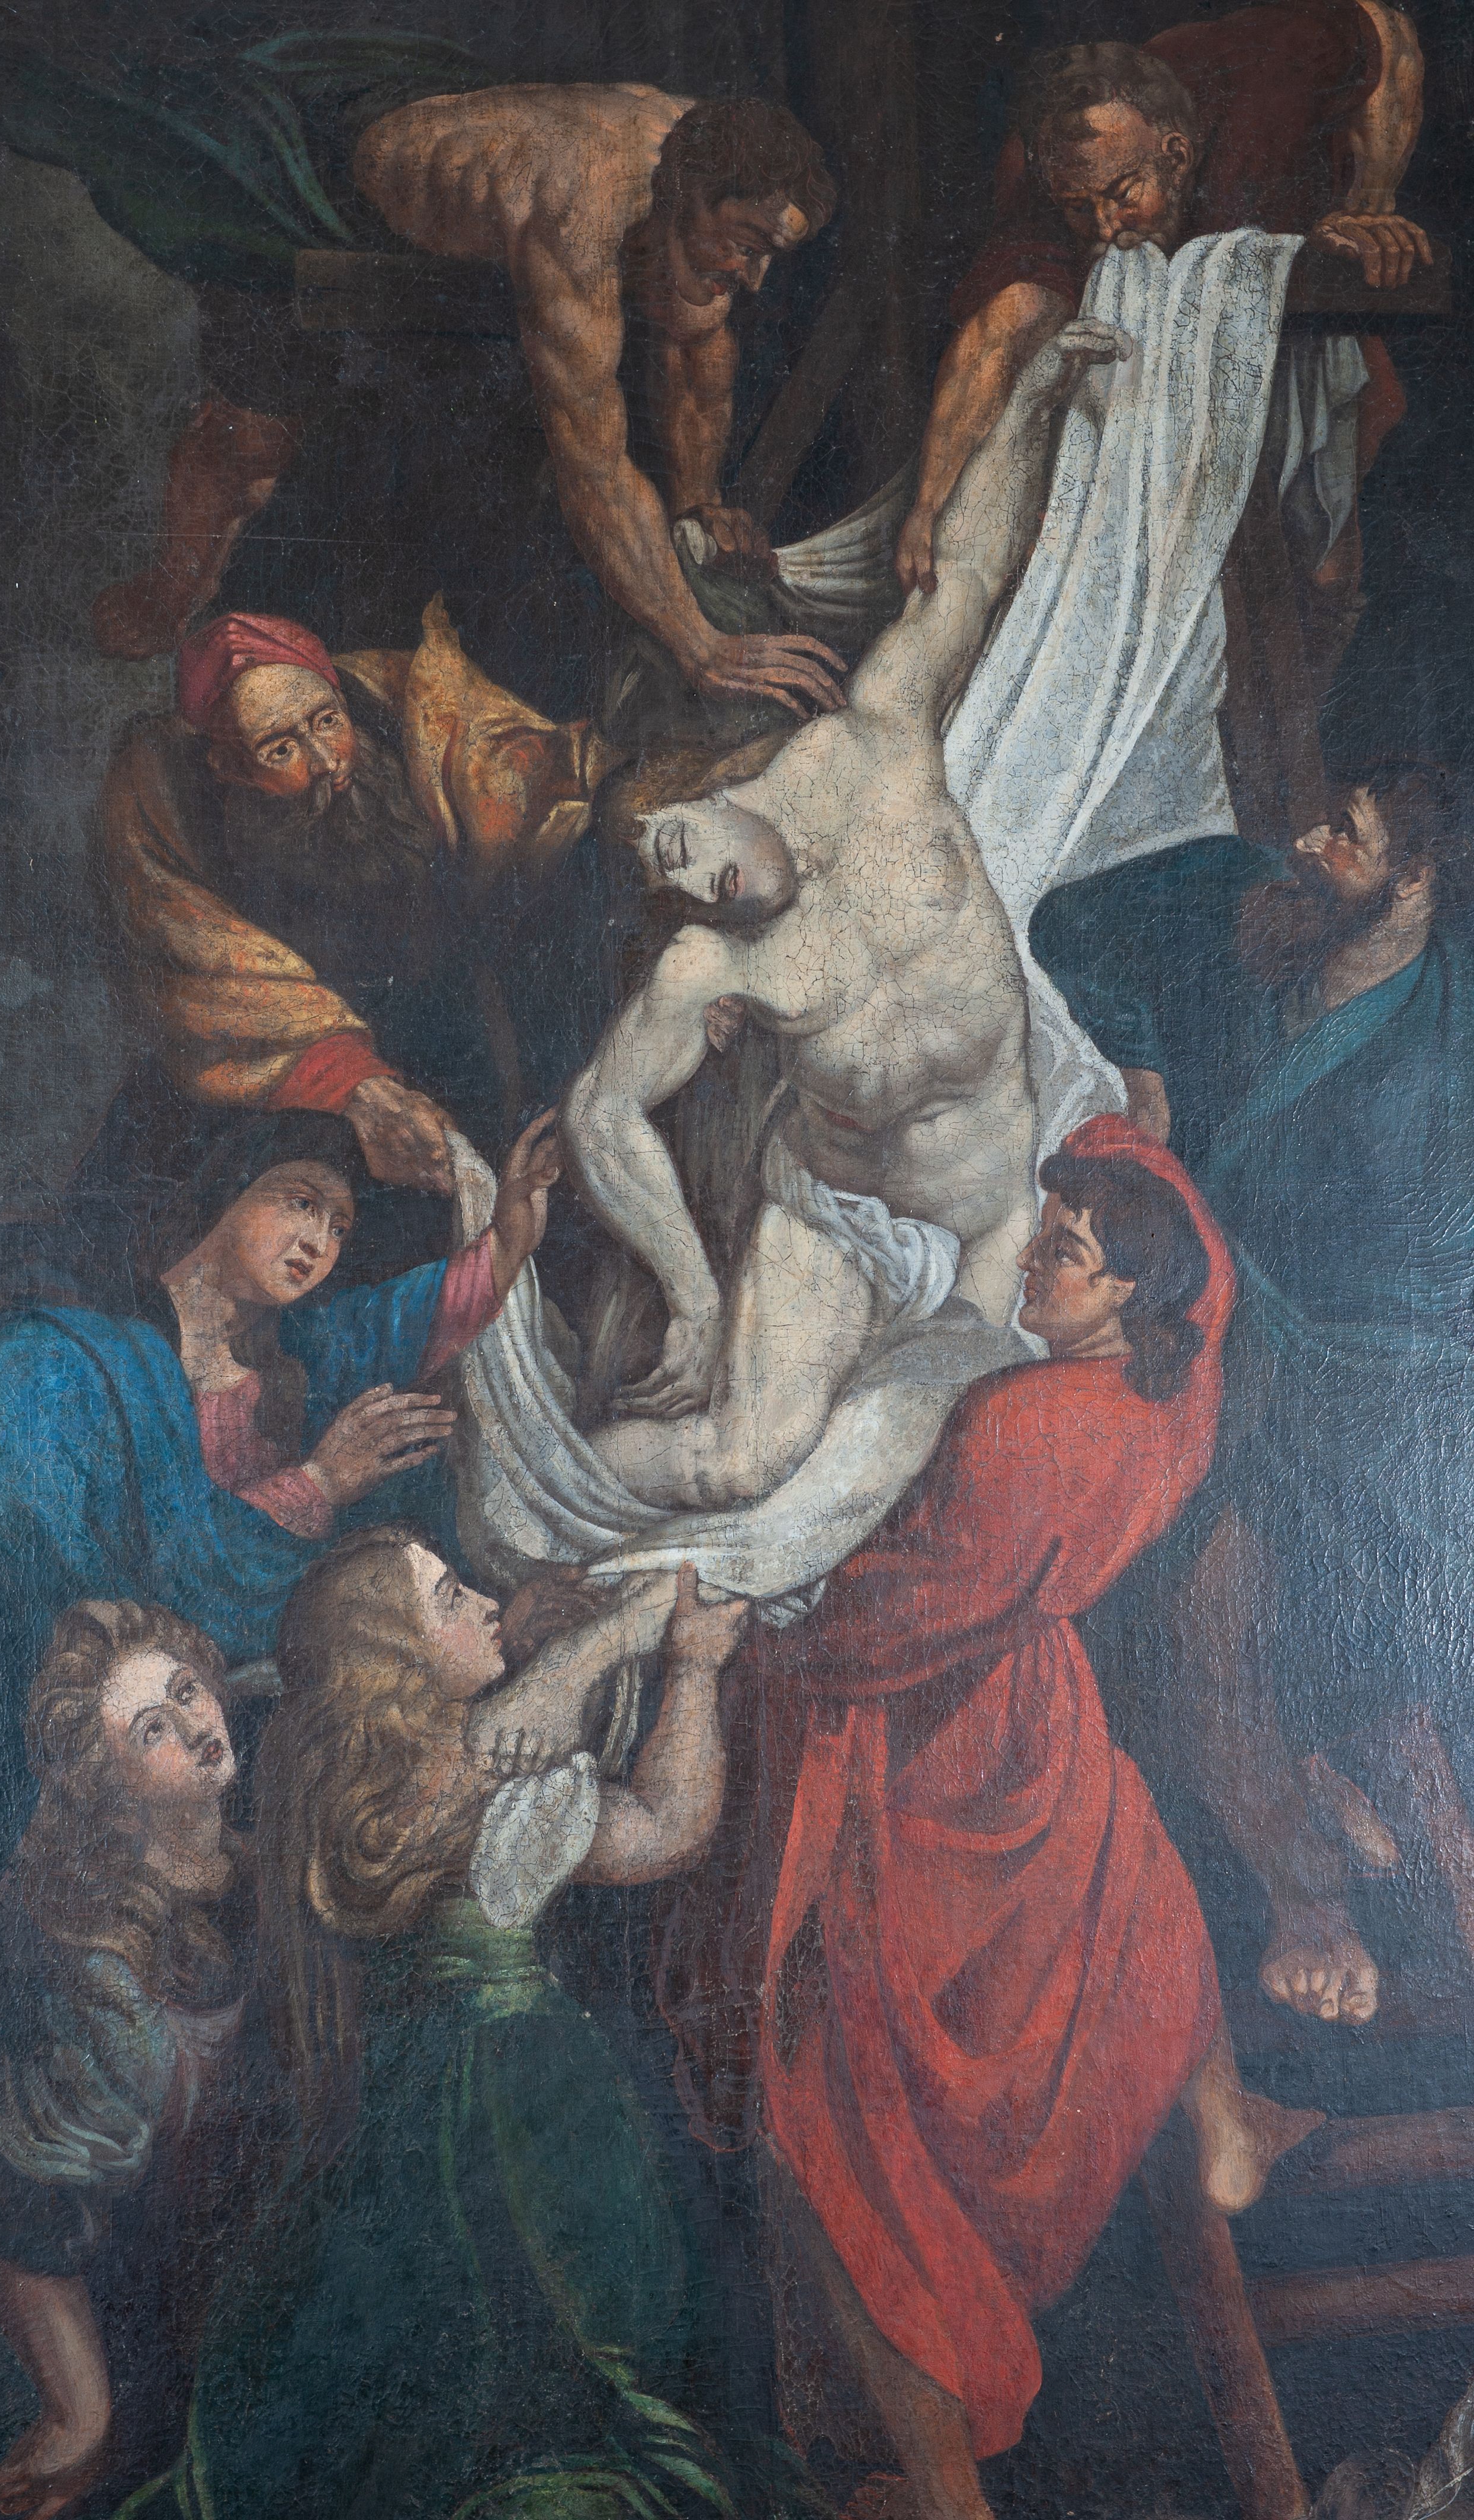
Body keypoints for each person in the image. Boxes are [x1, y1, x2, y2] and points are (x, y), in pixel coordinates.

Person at [0, 1103, 560, 2358]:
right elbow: (112, 1604)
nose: (319, 1238)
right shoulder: (73, 1366)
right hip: (56, 1788)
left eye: (339, 1223)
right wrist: (319, 1485)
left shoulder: (296, 1365)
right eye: (298, 1199)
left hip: (195, 1795)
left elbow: (402, 1321)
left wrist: (513, 1235)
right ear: (224, 1195)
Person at [657, 1120, 1321, 2520]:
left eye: (1065, 1250)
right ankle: (1221, 2124)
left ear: (1129, 1288)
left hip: (926, 1749)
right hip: (1040, 1725)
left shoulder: (1026, 1420)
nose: (1032, 1261)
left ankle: (943, 2488)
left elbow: (906, 1612)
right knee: (1127, 1860)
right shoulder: (1166, 1411)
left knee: (839, 2120)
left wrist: (762, 1641)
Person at [117, 1533, 825, 2520]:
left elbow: (665, 1828)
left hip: (512, 2086)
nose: (487, 1605)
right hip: (460, 2112)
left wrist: (693, 1667)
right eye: (451, 1598)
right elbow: (507, 1787)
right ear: (391, 1653)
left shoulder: (457, 1763)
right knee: (469, 2354)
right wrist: (619, 1638)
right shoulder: (367, 1786)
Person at [560, 317, 1126, 1512]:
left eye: (682, 850)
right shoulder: (711, 960)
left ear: (717, 794)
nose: (693, 891)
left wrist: (1034, 399)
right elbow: (601, 1112)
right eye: (668, 890)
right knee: (739, 1463)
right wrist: (693, 1293)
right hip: (832, 1208)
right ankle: (537, 1522)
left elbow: (968, 568)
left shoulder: (876, 743)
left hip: (992, 1216)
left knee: (908, 1470)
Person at [0, 17, 846, 719]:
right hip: (334, 174)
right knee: (251, 435)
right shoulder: (578, 207)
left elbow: (696, 343)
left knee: (696, 304)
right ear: (690, 194)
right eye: (748, 245)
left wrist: (699, 503)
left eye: (772, 252)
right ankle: (173, 585)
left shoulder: (712, 155)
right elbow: (594, 465)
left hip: (466, 128)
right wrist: (701, 647)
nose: (756, 278)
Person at [1040, 768, 1474, 2028]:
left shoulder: (1442, 1067)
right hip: (1209, 1331)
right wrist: (1144, 1072)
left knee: (1336, 1603)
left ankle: (1372, 1850)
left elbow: (1436, 1304)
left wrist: (1283, 1356)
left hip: (1357, 1381)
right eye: (1328, 814)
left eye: (1349, 837)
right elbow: (1068, 922)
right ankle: (1315, 1849)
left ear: (1414, 883)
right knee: (1180, 1606)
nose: (1311, 838)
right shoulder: (1251, 899)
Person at [0, 1600, 259, 2520]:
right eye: (152, 1729)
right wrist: (76, 2411)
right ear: (110, 1785)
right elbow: (19, 2205)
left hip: (157, 2274)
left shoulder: (246, 1862)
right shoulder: (86, 1958)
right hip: (24, 2317)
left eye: (188, 1692)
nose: (194, 1725)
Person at [896, 2, 1428, 613]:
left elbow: (1385, 27)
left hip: (1285, 253)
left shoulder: (1264, 101)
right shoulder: (1039, 181)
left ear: (1176, 156)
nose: (1106, 227)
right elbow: (1001, 328)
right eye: (1080, 208)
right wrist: (930, 505)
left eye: (1123, 195)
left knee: (1328, 552)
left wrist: (1371, 200)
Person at [88, 607, 613, 1215]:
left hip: (451, 1020)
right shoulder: (162, 794)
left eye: (328, 722)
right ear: (228, 767)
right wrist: (352, 1084)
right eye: (281, 748)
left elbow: (538, 770)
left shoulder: (405, 701)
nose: (327, 762)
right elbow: (206, 974)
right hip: (279, 1075)